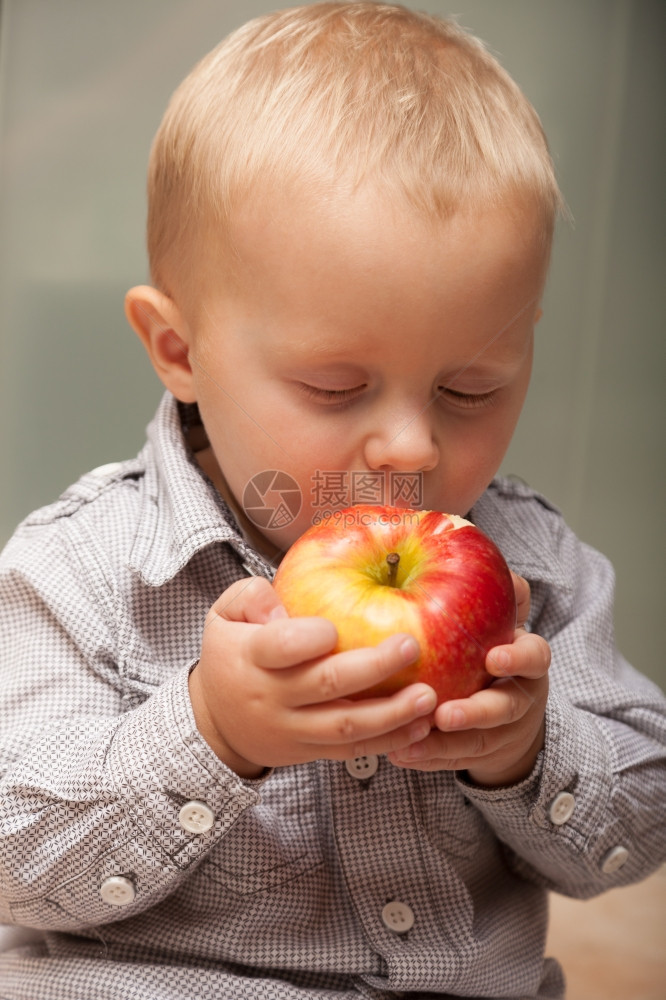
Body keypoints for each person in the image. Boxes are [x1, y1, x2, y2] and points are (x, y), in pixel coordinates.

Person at [0, 4, 664, 998]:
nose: (411, 444)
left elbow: (640, 829)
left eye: (470, 387)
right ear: (180, 351)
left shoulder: (536, 570)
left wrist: (528, 751)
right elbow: (18, 860)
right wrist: (209, 732)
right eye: (335, 388)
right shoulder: (83, 571)